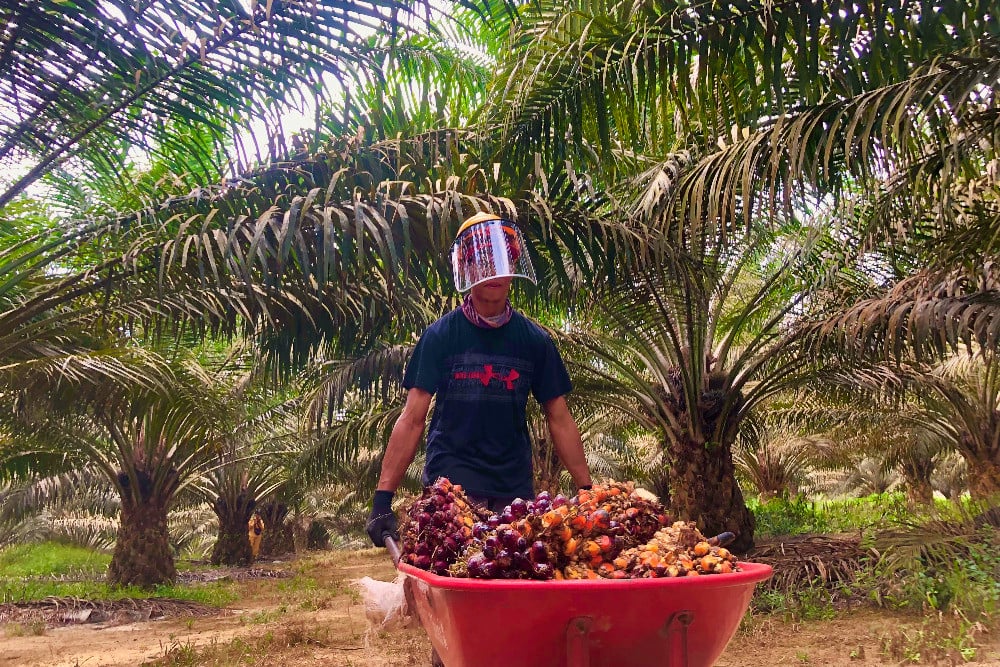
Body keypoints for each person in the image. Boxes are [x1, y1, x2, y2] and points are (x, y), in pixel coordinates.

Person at [366, 211, 592, 550]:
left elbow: (559, 417)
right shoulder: (441, 336)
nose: (493, 271)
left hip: (513, 488)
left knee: (515, 577)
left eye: (502, 260)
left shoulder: (534, 341)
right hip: (452, 486)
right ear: (467, 269)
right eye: (483, 260)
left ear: (513, 269)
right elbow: (412, 419)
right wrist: (383, 499)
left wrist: (587, 491)